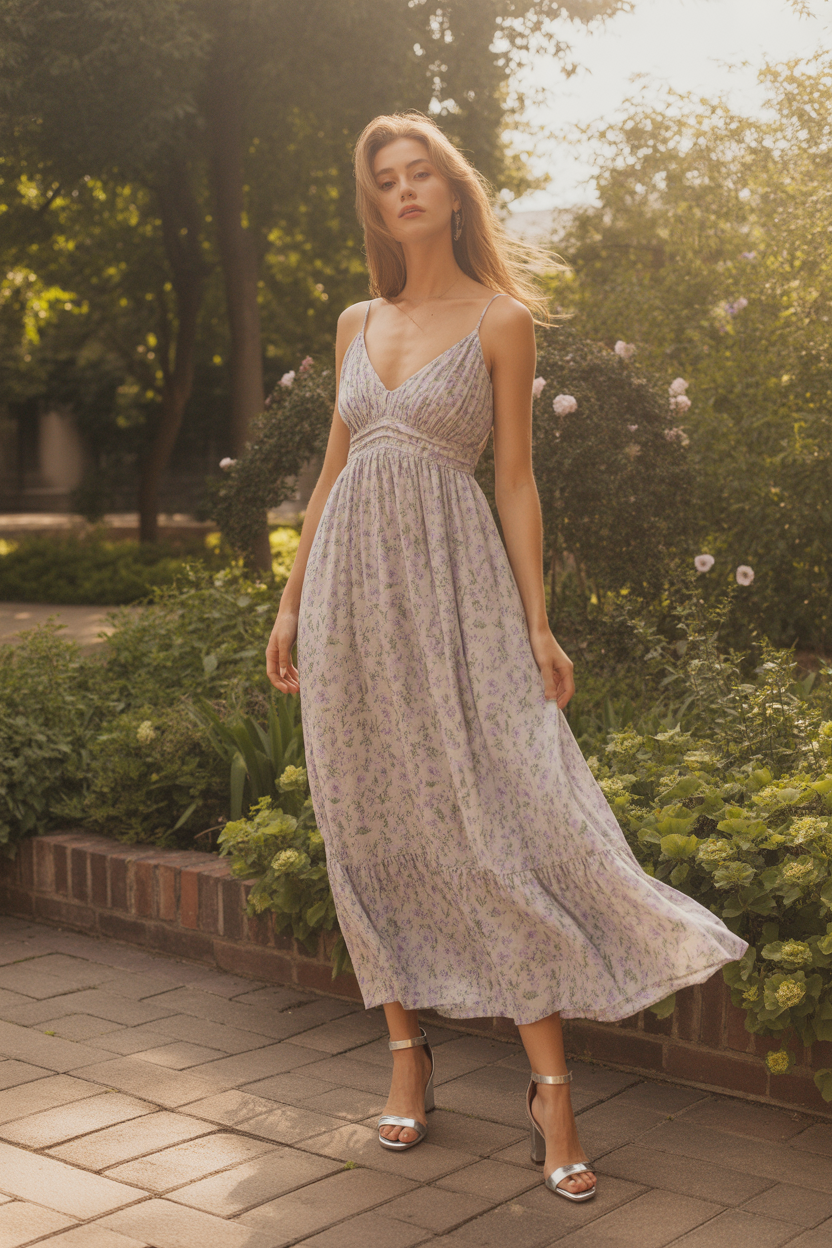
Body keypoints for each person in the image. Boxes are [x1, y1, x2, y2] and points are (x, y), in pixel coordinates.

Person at [266, 110, 748, 1203]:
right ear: (375, 201)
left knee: (490, 821)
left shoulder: (499, 319)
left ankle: (551, 1089)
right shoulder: (354, 321)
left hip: (453, 590)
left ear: (450, 188)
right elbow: (329, 478)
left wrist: (537, 620)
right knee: (366, 821)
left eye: (419, 172)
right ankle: (405, 1054)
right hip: (346, 595)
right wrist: (291, 605)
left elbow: (516, 479)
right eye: (384, 178)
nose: (403, 191)